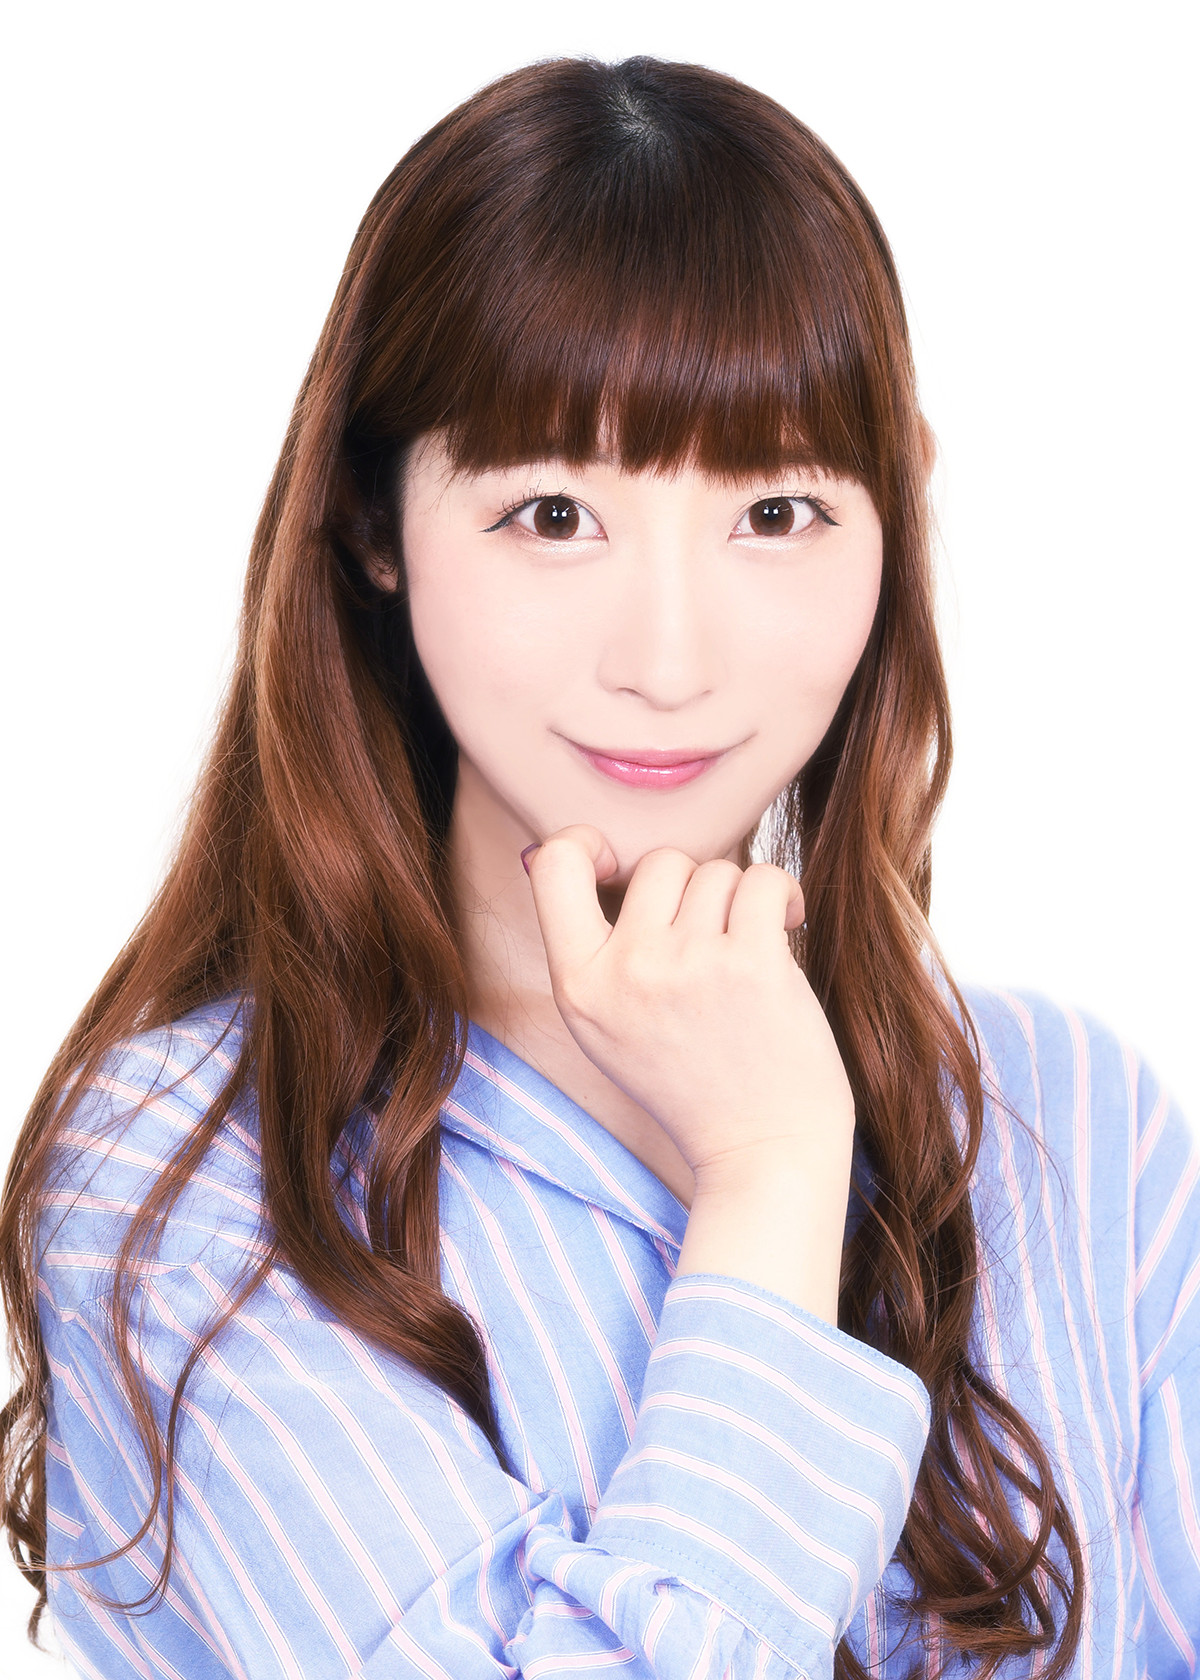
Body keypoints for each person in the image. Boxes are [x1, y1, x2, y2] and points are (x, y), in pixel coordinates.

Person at [1, 53, 1196, 1680]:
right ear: (375, 522)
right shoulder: (191, 1178)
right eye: (554, 515)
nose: (668, 660)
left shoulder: (1072, 1126)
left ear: (897, 511)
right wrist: (771, 1172)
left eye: (778, 512)